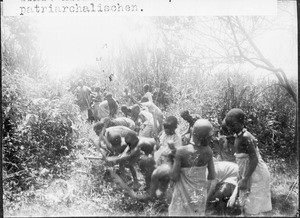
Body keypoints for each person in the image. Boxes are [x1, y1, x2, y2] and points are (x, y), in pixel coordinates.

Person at [224, 108, 272, 215]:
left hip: (256, 174)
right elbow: (242, 161)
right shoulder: (238, 136)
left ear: (242, 122)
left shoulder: (246, 137)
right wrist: (240, 176)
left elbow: (254, 159)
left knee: (251, 208)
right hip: (248, 174)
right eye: (229, 126)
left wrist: (245, 179)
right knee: (244, 207)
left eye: (233, 125)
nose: (231, 128)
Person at [168, 119, 216, 216]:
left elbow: (174, 177)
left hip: (183, 194)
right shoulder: (208, 151)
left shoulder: (181, 151)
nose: (211, 139)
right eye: (210, 137)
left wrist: (170, 160)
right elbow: (212, 175)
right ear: (204, 137)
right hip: (199, 195)